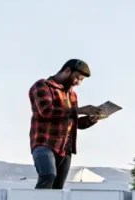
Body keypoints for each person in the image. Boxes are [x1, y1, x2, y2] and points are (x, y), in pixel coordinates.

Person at [28, 59, 104, 190]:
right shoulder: (42, 86)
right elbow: (46, 111)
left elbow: (73, 122)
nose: (78, 83)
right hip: (44, 142)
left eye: (81, 80)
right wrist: (79, 110)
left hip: (65, 148)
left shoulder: (72, 94)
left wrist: (90, 120)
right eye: (77, 78)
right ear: (67, 71)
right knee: (48, 175)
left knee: (58, 188)